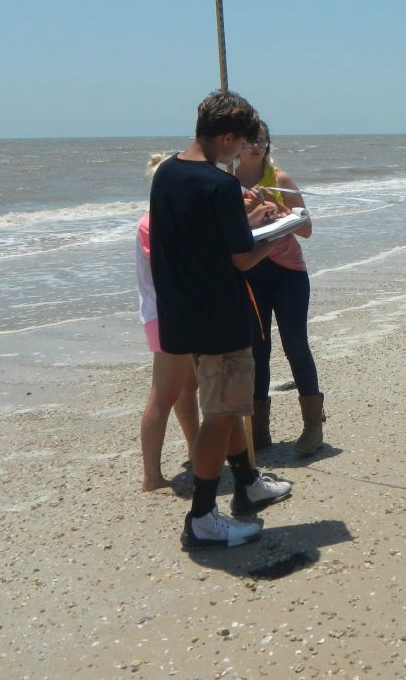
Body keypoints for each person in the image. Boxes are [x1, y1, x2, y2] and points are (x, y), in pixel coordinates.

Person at [149, 90, 295, 550]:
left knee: (228, 404)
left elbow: (198, 239)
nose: (239, 154)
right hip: (219, 314)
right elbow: (243, 259)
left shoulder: (167, 173)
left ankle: (249, 482)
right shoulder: (219, 186)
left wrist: (243, 215)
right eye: (238, 145)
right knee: (222, 411)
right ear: (227, 136)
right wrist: (276, 234)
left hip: (179, 311)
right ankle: (203, 517)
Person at [233, 121, 325, 454]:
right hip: (250, 273)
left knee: (296, 345)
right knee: (257, 351)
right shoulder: (227, 184)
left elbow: (307, 229)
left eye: (261, 141)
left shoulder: (280, 179)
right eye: (248, 141)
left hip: (288, 274)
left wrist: (283, 211)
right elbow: (226, 234)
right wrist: (248, 211)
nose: (255, 147)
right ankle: (259, 432)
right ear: (236, 145)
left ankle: (313, 426)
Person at [137, 154, 199, 491]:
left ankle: (196, 448)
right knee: (163, 394)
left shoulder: (170, 218)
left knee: (188, 389)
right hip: (164, 316)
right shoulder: (153, 222)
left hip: (177, 313)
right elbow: (172, 264)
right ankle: (151, 476)